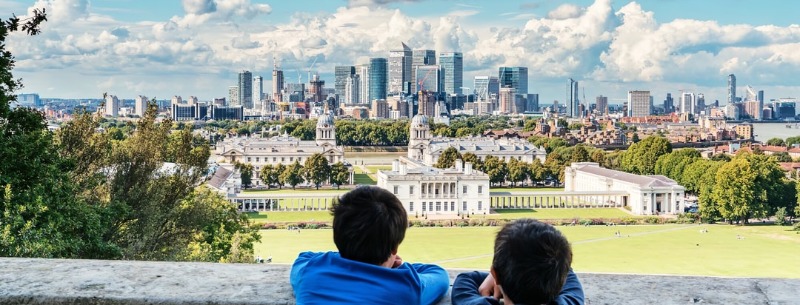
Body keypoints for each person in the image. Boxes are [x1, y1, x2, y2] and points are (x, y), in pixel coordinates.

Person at [290, 186, 449, 305]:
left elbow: (303, 258)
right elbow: (439, 276)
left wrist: (346, 252)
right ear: (394, 248)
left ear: (338, 237)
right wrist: (396, 267)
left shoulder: (310, 272)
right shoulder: (405, 286)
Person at [452, 219, 584, 305]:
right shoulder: (570, 302)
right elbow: (566, 272)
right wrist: (501, 273)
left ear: (495, 274)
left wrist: (501, 274)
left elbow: (464, 280)